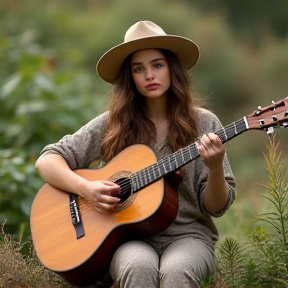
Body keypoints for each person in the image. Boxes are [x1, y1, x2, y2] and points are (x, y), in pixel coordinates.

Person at [35, 20, 236, 288]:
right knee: (137, 267)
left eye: (157, 65)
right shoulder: (114, 123)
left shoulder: (205, 124)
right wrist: (86, 189)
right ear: (130, 77)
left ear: (172, 68)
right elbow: (47, 159)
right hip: (127, 239)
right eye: (138, 69)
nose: (149, 75)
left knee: (177, 271)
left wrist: (214, 167)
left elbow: (216, 207)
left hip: (189, 237)